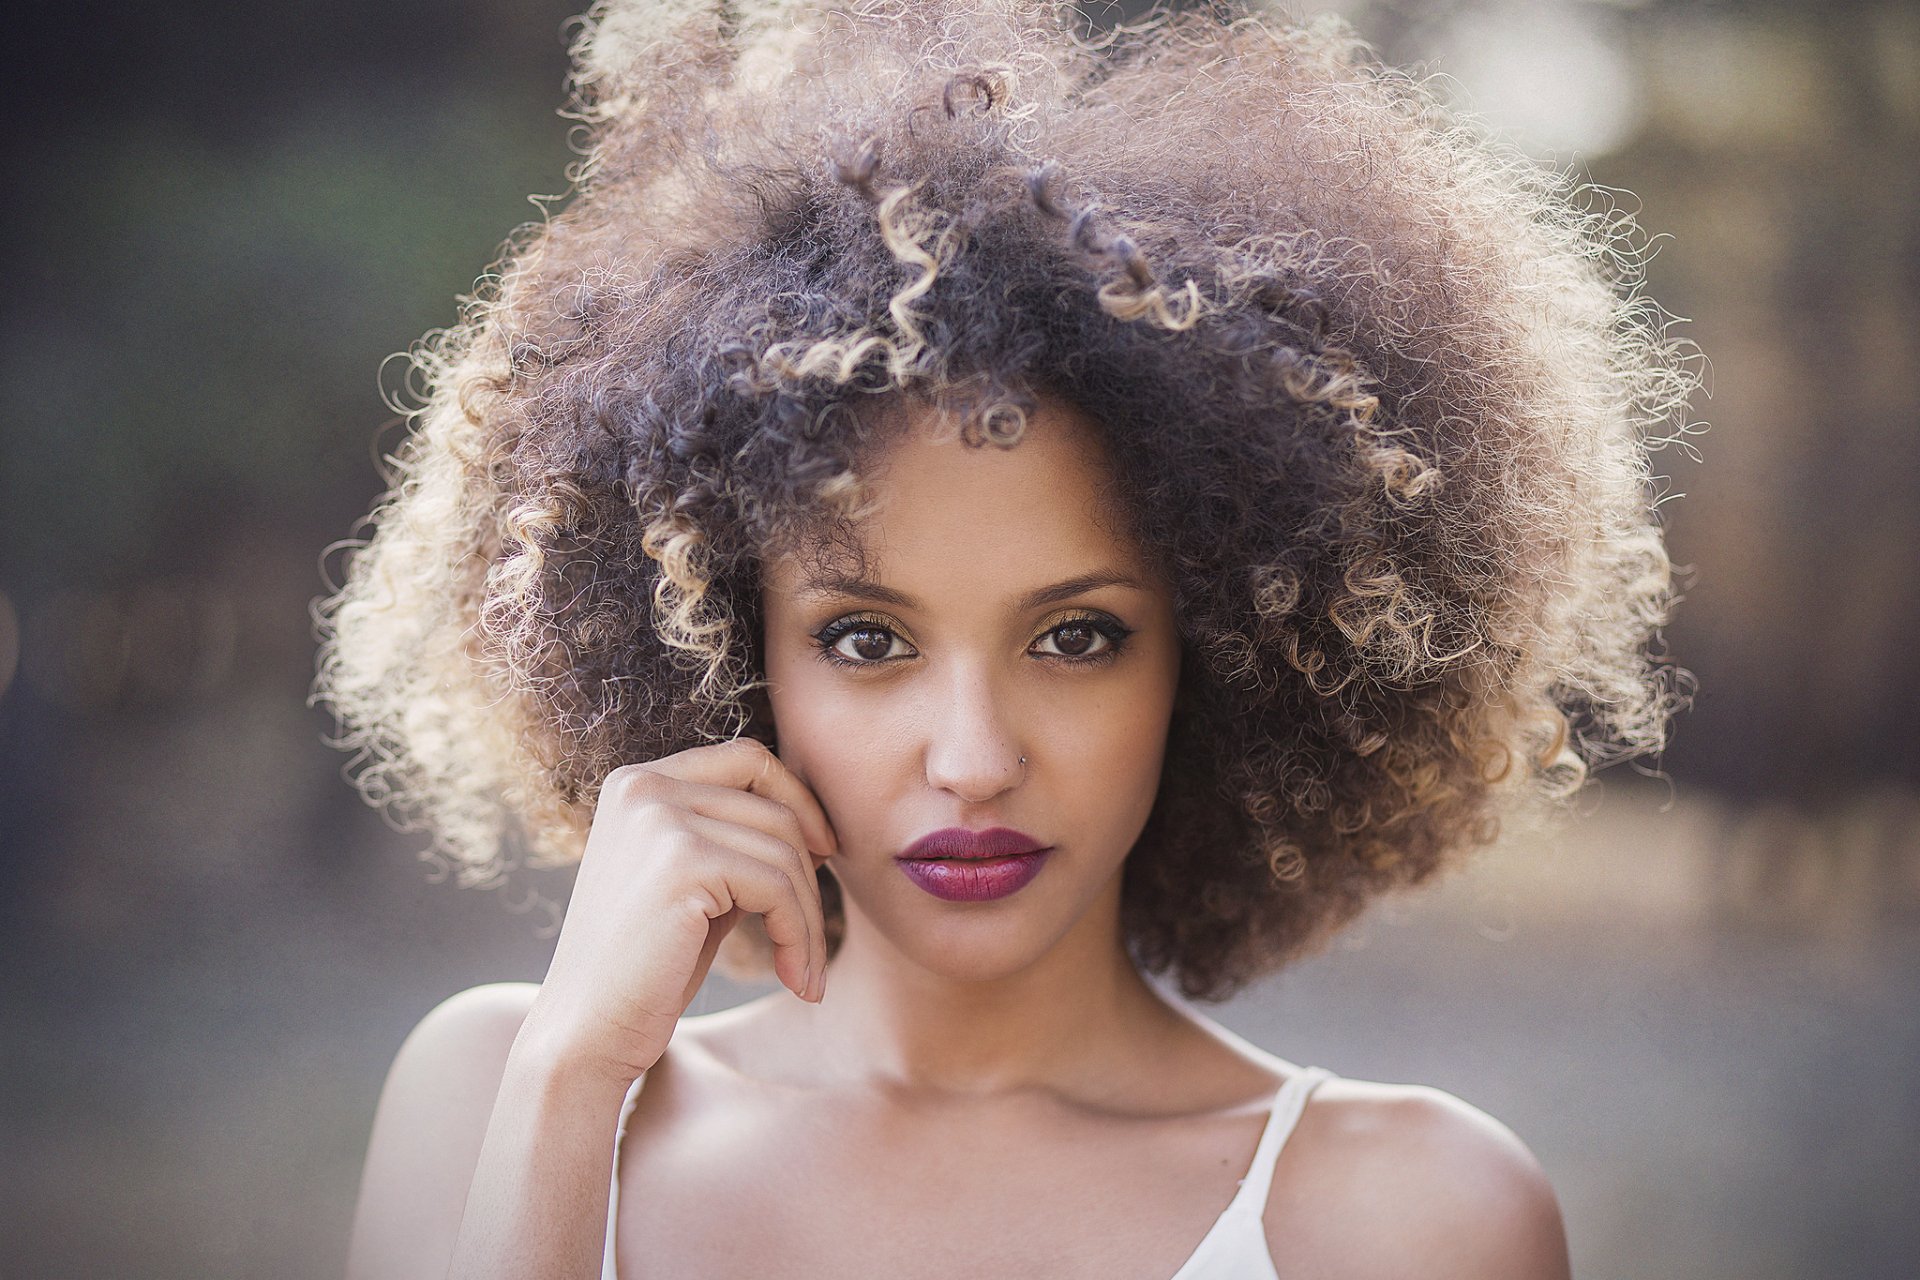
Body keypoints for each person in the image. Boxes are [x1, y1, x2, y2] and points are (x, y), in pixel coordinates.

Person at [316, 1, 1696, 1276]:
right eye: (865, 641)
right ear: (731, 668)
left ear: (1217, 661)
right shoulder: (511, 1092)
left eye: (1078, 637)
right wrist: (574, 1080)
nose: (973, 762)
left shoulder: (1410, 1217)